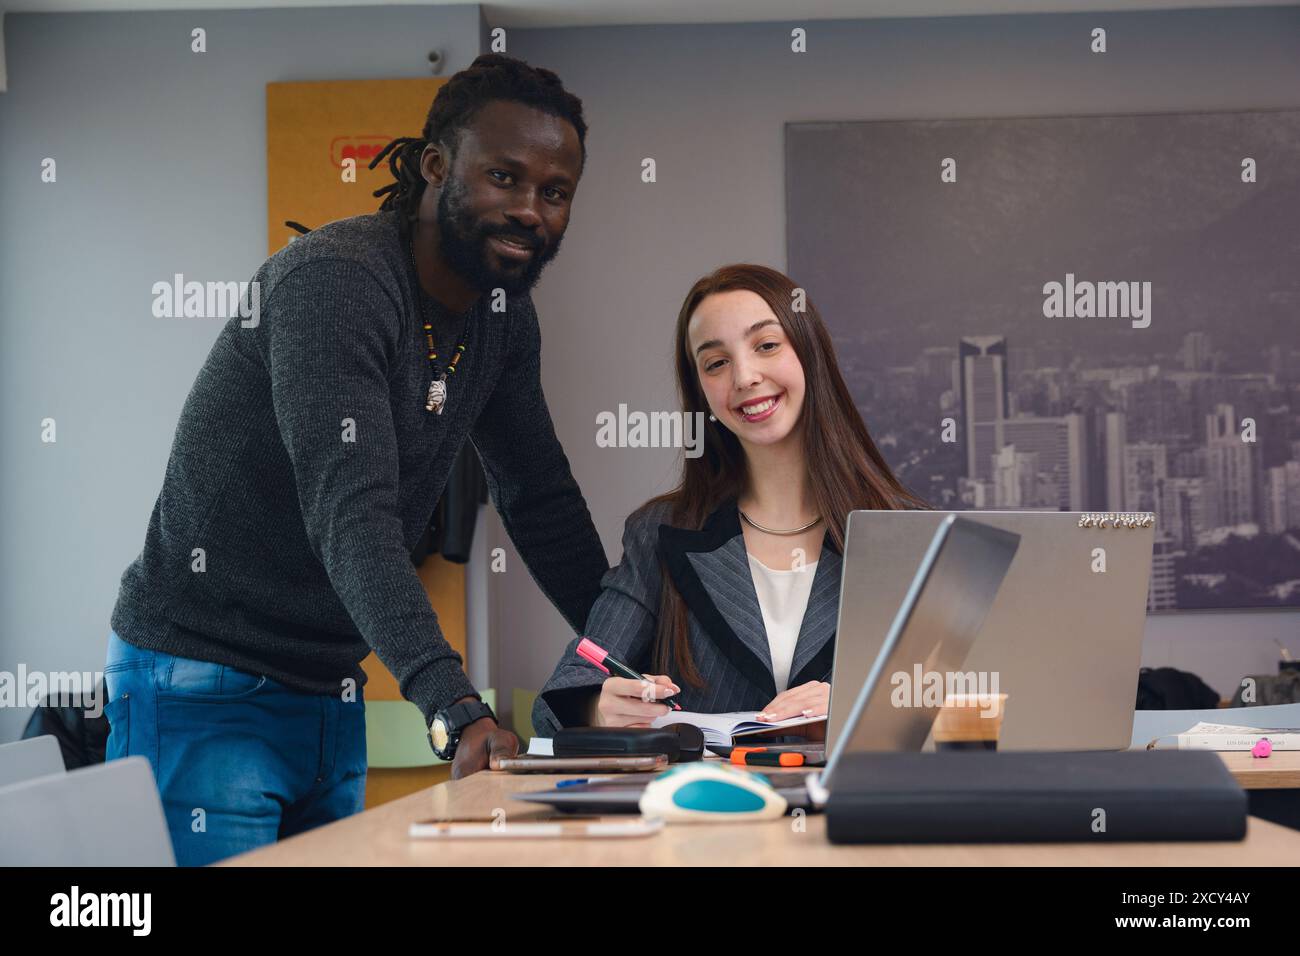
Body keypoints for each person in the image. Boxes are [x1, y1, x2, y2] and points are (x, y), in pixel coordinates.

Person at [104, 54, 609, 866]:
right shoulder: (338, 283)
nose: (530, 211)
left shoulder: (504, 318)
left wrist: (631, 652)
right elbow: (353, 516)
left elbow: (539, 495)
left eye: (554, 194)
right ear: (439, 167)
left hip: (331, 685)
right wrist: (454, 705)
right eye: (505, 178)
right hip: (202, 680)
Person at [533, 264, 926, 735]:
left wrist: (863, 701)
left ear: (810, 353)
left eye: (766, 345)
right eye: (716, 363)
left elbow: (969, 700)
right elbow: (561, 698)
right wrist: (596, 709)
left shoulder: (907, 533)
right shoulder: (659, 532)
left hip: (849, 807)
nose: (744, 376)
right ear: (701, 392)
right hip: (709, 805)